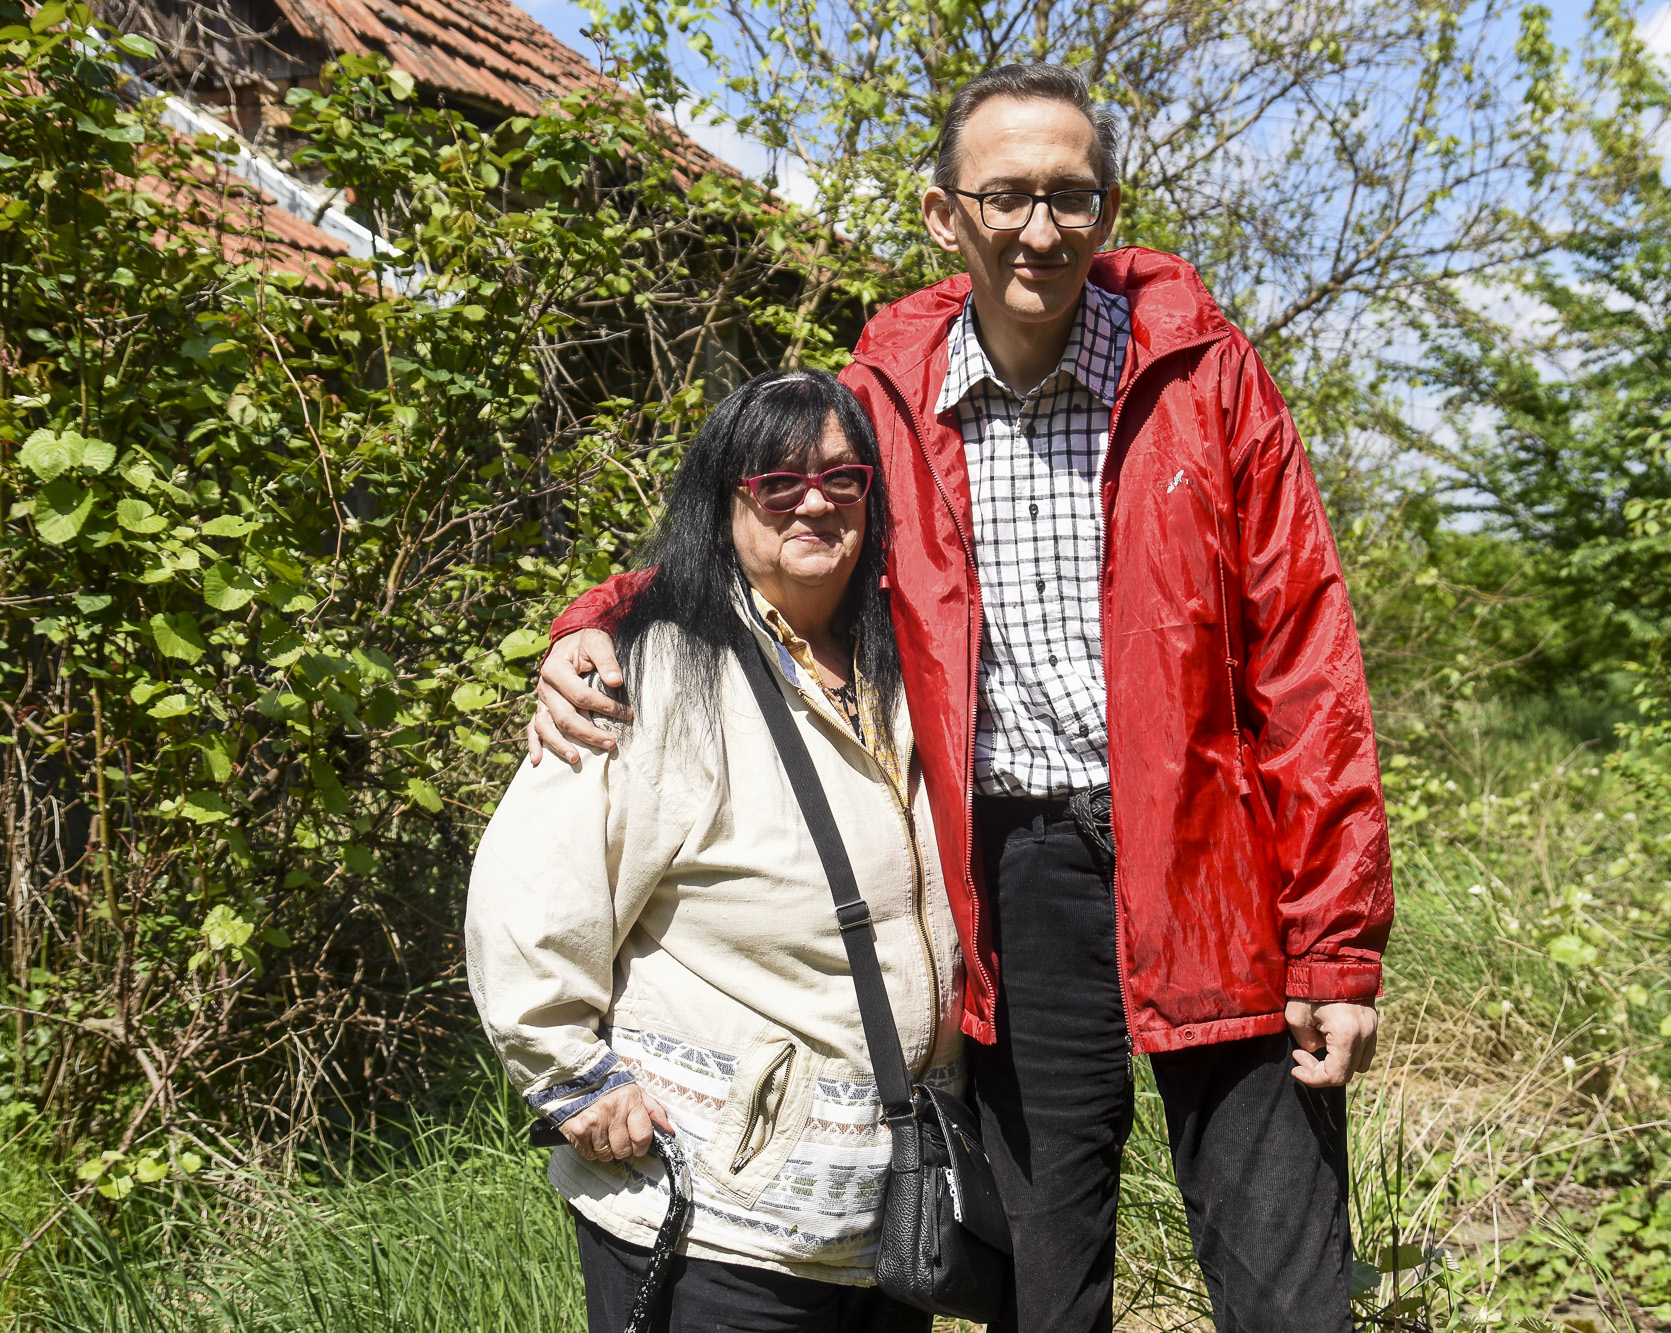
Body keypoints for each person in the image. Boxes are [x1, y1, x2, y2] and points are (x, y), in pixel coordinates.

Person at [530, 64, 1393, 1333]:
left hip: (1218, 860)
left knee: (1287, 1282)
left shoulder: (1202, 378)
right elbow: (763, 533)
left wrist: (1334, 940)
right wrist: (594, 621)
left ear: (1105, 210)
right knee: (1046, 1289)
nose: (1038, 228)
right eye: (1006, 197)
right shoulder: (879, 398)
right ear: (946, 216)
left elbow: (1303, 657)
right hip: (1014, 875)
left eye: (1068, 195)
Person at [467, 370, 964, 1332]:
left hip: (884, 1220)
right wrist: (569, 1071)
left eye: (841, 478)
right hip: (709, 1222)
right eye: (776, 482)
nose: (813, 500)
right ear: (721, 498)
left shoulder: (908, 665)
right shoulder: (648, 673)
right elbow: (529, 891)